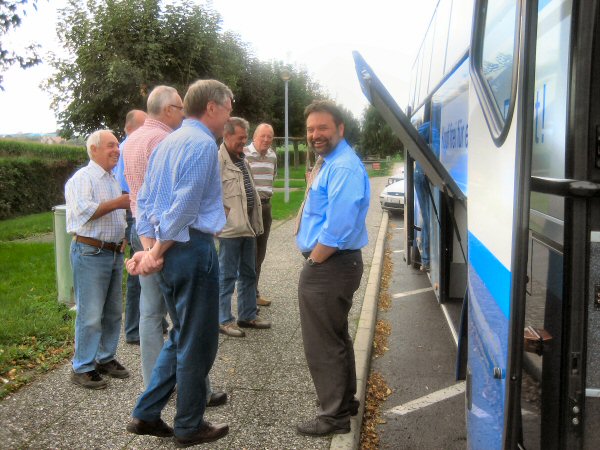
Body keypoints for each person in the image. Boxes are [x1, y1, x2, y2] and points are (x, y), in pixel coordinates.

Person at [125, 79, 232, 447]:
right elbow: (183, 208)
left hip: (171, 252)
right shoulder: (203, 144)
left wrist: (152, 249)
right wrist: (154, 253)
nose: (230, 115)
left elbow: (145, 203)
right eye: (229, 106)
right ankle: (189, 425)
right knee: (198, 342)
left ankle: (146, 413)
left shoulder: (168, 142)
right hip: (191, 249)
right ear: (213, 107)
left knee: (180, 336)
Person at [295, 100, 370, 436]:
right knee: (335, 336)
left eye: (322, 128)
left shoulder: (341, 167)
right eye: (311, 129)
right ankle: (345, 403)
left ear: (340, 128)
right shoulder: (331, 162)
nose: (315, 135)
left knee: (322, 344)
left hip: (330, 264)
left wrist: (315, 259)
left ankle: (333, 417)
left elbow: (338, 227)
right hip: (336, 264)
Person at [123, 85, 184, 385]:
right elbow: (171, 199)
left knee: (149, 313)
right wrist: (155, 250)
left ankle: (153, 382)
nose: (185, 114)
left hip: (140, 231)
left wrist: (145, 245)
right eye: (182, 107)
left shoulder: (131, 140)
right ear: (169, 109)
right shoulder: (165, 140)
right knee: (183, 312)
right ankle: (191, 383)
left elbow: (136, 195)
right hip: (164, 238)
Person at [65, 129, 131, 389]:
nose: (117, 150)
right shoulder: (83, 178)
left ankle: (105, 358)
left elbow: (117, 215)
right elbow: (84, 212)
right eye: (110, 146)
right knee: (91, 314)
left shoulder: (113, 178)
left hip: (113, 252)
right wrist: (118, 203)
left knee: (114, 312)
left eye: (117, 145)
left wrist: (122, 236)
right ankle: (82, 366)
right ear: (93, 149)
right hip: (90, 252)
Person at [218, 117, 271, 338]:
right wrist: (224, 219)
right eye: (240, 138)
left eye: (245, 138)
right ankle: (223, 320)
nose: (244, 142)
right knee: (227, 275)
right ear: (227, 135)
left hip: (248, 226)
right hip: (231, 230)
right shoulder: (217, 160)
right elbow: (210, 196)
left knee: (249, 272)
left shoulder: (241, 159)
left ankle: (247, 315)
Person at [114, 109, 147, 345]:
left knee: (140, 272)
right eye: (145, 125)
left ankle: (144, 325)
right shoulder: (130, 147)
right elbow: (126, 191)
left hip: (133, 212)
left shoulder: (128, 146)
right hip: (134, 213)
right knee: (138, 273)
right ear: (131, 126)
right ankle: (134, 329)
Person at [244, 123, 277, 307]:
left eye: (269, 137)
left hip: (266, 208)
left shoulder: (272, 155)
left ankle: (254, 293)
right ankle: (246, 298)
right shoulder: (244, 154)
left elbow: (272, 178)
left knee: (260, 254)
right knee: (249, 253)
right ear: (254, 136)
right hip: (249, 210)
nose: (266, 140)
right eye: (262, 136)